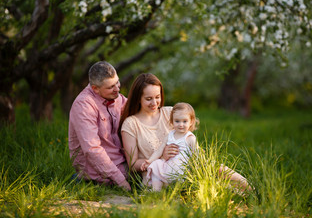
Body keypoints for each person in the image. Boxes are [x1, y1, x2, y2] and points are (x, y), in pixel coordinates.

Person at [120, 73, 251, 191]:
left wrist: (196, 151)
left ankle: (252, 189)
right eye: (148, 99)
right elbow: (132, 164)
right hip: (159, 176)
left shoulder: (169, 112)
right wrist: (161, 157)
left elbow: (185, 137)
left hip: (185, 165)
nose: (154, 103)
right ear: (138, 98)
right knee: (210, 185)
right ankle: (237, 193)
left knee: (217, 168)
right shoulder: (131, 124)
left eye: (157, 97)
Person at [68, 61, 131, 191]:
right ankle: (81, 180)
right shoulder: (84, 105)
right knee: (147, 175)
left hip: (122, 160)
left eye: (117, 82)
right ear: (95, 88)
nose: (117, 89)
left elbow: (137, 112)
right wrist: (121, 181)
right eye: (111, 87)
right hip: (99, 170)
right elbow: (92, 150)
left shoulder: (117, 97)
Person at [140, 102, 199, 191]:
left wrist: (195, 168)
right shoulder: (170, 135)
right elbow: (160, 150)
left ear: (191, 122)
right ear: (172, 121)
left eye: (185, 121)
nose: (181, 124)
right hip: (168, 165)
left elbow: (196, 154)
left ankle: (177, 190)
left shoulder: (190, 138)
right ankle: (156, 190)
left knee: (180, 177)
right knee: (156, 164)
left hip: (182, 168)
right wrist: (150, 160)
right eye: (177, 121)